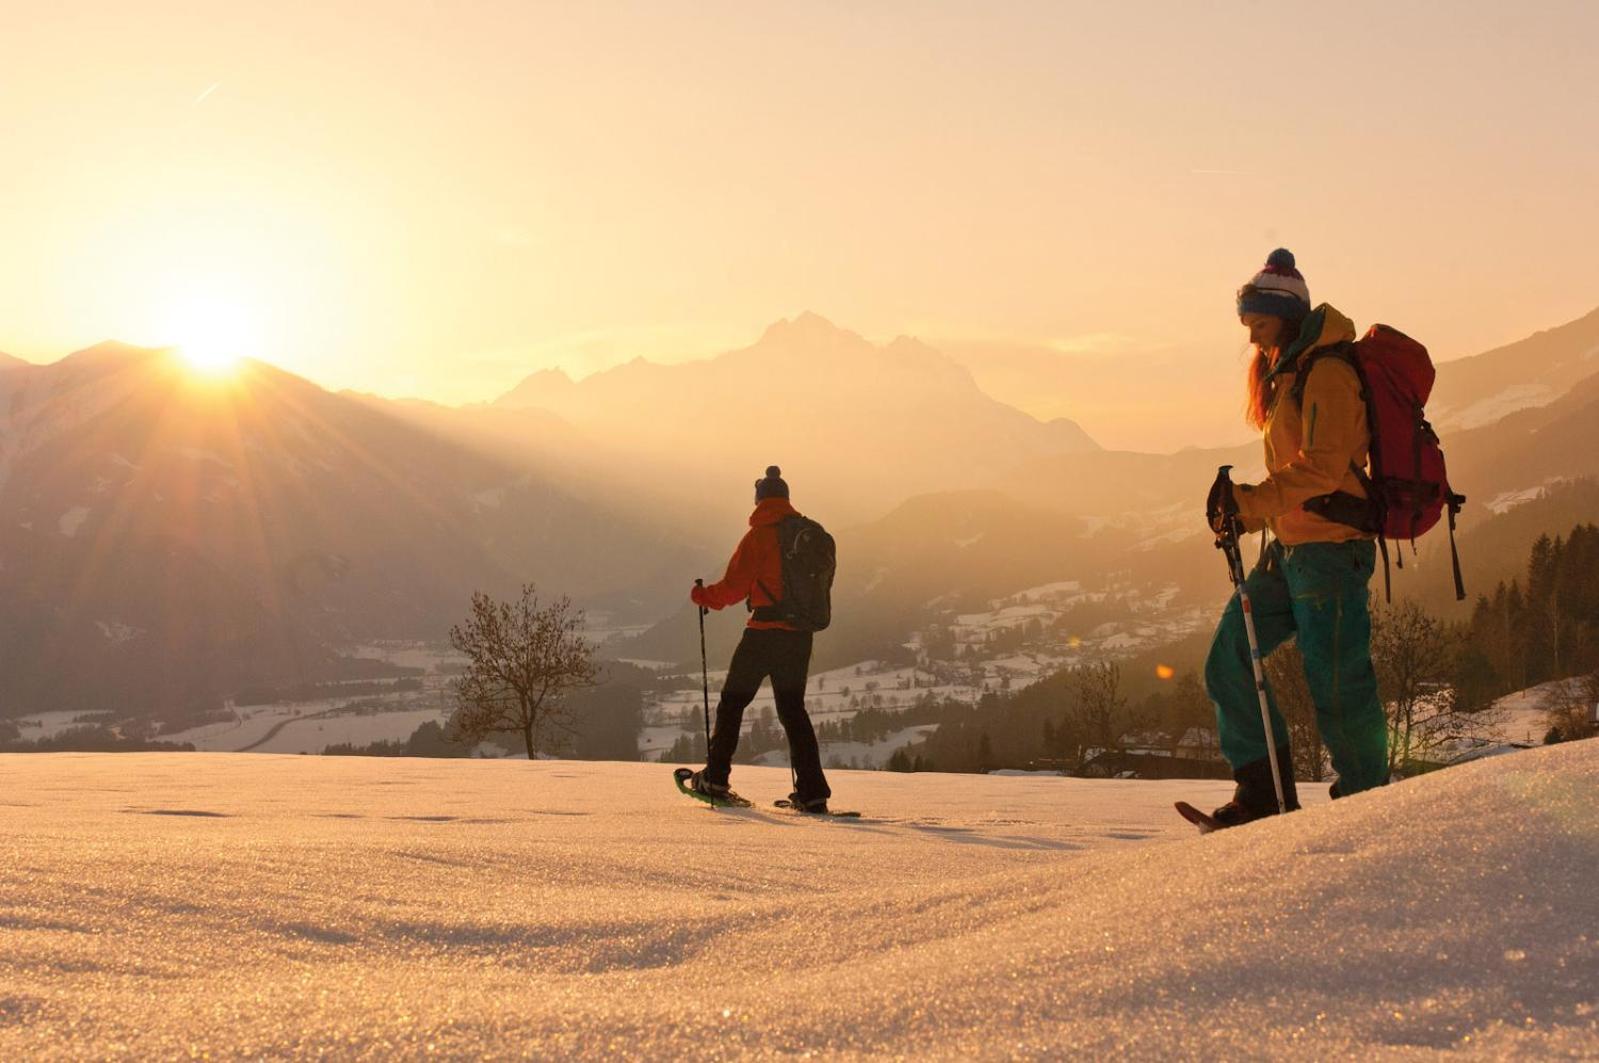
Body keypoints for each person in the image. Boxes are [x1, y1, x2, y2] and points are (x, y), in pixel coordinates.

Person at [1200, 249, 1388, 827]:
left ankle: (1367, 805)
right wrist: (1248, 508)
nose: (1252, 337)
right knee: (1230, 658)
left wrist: (1251, 505)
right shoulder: (1288, 371)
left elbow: (1322, 469)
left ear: (1286, 314)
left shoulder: (1326, 372)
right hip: (1292, 551)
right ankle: (1265, 796)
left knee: (1336, 683)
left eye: (1258, 323)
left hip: (1331, 551)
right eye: (1247, 325)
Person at [685, 466, 832, 812]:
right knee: (793, 711)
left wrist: (702, 597)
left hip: (763, 634)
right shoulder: (805, 534)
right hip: (799, 637)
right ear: (786, 498)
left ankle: (716, 778)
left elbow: (734, 588)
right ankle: (812, 792)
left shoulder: (759, 536)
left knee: (733, 702)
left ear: (759, 500)